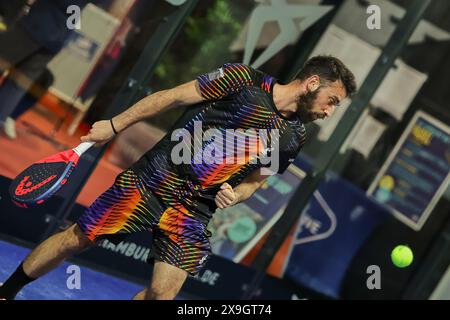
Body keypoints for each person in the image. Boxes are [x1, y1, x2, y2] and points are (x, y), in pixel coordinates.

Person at [0, 55, 356, 300]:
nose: (329, 111)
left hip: (195, 210)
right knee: (78, 238)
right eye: (332, 100)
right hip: (154, 179)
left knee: (163, 292)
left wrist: (236, 193)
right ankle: (8, 289)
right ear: (311, 83)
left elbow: (256, 182)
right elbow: (171, 97)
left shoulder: (294, 136)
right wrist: (114, 124)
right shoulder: (242, 80)